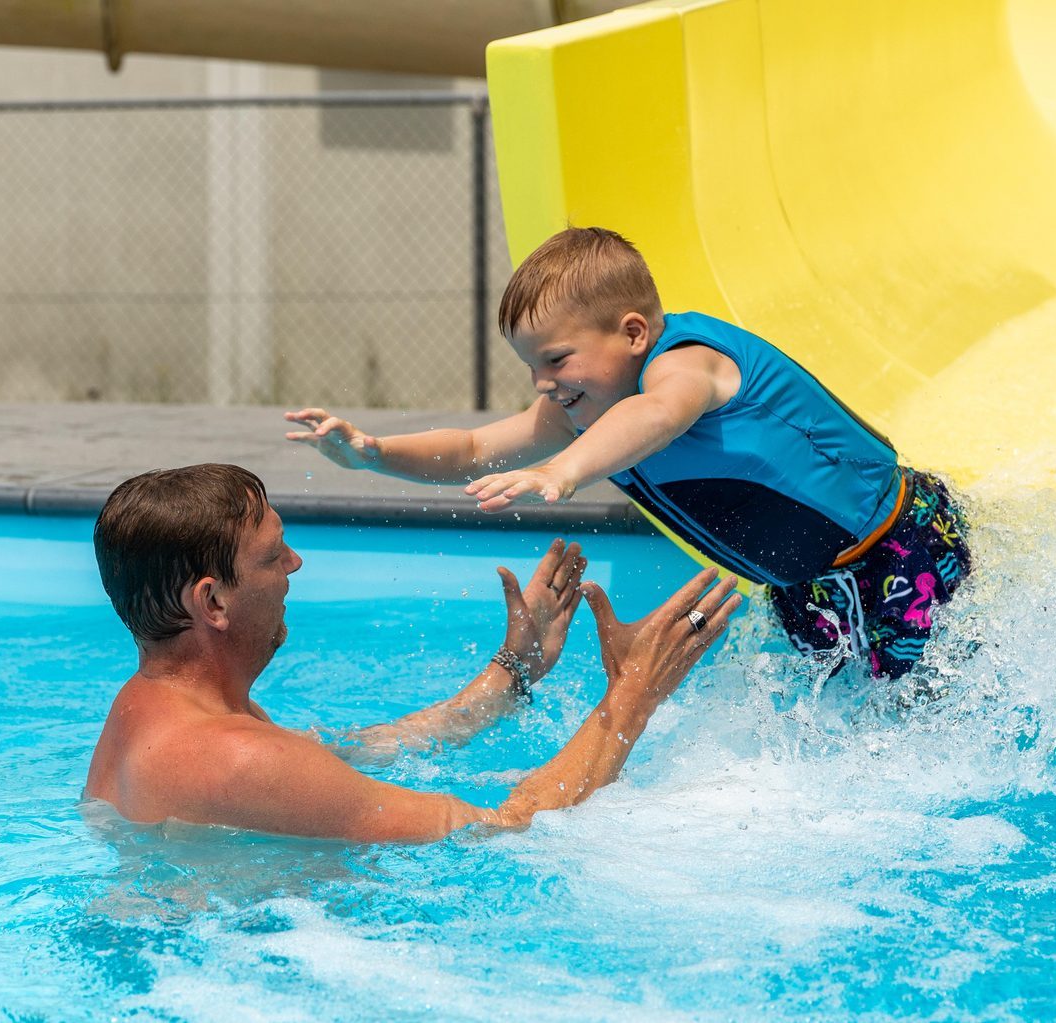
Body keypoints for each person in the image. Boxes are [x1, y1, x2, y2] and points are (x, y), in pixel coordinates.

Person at [285, 227, 973, 680]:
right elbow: (473, 447)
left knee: (926, 705)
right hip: (810, 585)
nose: (543, 383)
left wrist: (563, 469)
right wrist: (372, 452)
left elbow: (658, 416)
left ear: (634, 333)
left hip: (899, 543)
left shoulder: (687, 364)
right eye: (531, 367)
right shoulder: (584, 406)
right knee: (856, 721)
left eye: (557, 359)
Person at [83, 463, 741, 843]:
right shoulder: (239, 757)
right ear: (213, 602)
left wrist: (512, 674)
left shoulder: (149, 712)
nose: (295, 563)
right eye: (272, 554)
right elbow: (509, 828)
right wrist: (634, 693)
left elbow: (349, 755)